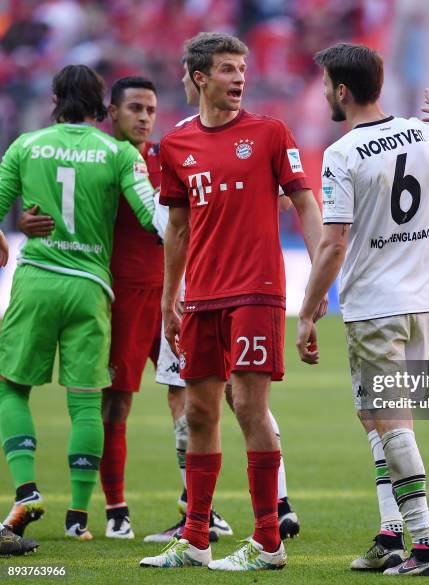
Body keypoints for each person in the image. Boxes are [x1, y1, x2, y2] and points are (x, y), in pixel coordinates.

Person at [19, 75, 233, 543]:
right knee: (116, 401)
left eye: (151, 110)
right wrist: (27, 220)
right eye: (134, 108)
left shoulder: (169, 155)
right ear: (111, 113)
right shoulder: (103, 158)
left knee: (188, 397)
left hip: (174, 293)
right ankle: (116, 510)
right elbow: (58, 204)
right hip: (122, 297)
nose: (144, 118)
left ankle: (199, 508)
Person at [139, 32, 324, 571]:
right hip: (199, 297)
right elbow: (176, 227)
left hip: (256, 289)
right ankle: (196, 538)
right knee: (198, 413)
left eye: (242, 68)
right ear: (200, 77)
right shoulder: (175, 146)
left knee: (248, 406)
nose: (239, 78)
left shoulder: (269, 134)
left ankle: (268, 541)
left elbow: (306, 207)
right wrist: (170, 297)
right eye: (226, 69)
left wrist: (318, 284)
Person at [296, 43, 429, 576]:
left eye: (327, 84)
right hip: (422, 300)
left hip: (375, 306)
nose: (325, 92)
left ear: (342, 90)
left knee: (390, 423)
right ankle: (391, 535)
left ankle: (423, 546)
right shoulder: (421, 134)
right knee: (376, 419)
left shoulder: (342, 153)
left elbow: (333, 242)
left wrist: (306, 311)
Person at [0, 64, 157, 541]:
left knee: (12, 387)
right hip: (91, 287)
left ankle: (26, 489)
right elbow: (152, 217)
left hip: (38, 278)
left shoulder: (25, 145)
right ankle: (77, 518)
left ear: (54, 98)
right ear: (100, 108)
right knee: (87, 402)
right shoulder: (117, 152)